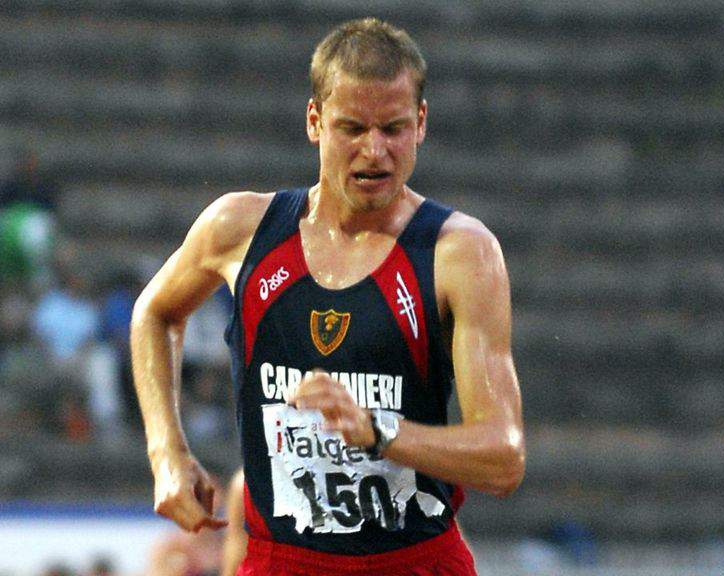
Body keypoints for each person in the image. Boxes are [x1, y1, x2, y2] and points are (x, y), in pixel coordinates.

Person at [131, 17, 525, 576]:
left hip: (412, 560)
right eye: (352, 128)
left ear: (421, 124)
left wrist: (380, 431)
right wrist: (166, 452)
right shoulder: (240, 228)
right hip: (281, 561)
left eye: (393, 128)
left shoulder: (459, 252)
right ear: (315, 122)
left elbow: (503, 457)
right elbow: (154, 311)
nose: (375, 151)